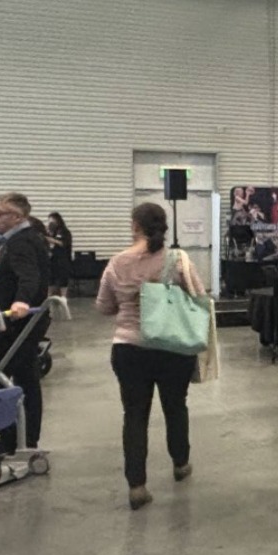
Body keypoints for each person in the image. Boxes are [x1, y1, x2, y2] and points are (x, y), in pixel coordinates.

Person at [96, 202, 205, 510]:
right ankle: (181, 463)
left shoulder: (117, 263)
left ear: (135, 226)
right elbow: (199, 297)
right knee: (175, 407)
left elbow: (104, 307)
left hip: (129, 348)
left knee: (134, 415)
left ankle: (137, 486)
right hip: (173, 348)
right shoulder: (178, 260)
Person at [0, 192, 51, 455]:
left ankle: (12, 441)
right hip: (25, 321)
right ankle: (24, 442)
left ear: (17, 217)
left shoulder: (21, 242)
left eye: (0, 213)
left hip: (18, 322)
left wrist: (20, 301)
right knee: (25, 379)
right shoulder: (25, 239)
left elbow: (29, 277)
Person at [45, 212, 73, 299]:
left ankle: (64, 297)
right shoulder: (51, 232)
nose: (50, 223)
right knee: (51, 279)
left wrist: (51, 239)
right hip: (52, 259)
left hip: (62, 259)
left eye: (52, 220)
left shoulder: (64, 231)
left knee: (62, 279)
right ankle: (48, 297)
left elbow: (62, 243)